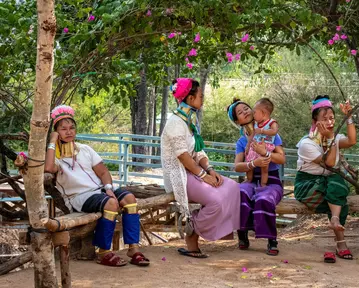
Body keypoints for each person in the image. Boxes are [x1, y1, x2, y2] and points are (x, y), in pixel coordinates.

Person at [44, 105, 150, 267]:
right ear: (56, 131)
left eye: (72, 128)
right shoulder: (57, 158)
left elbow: (103, 172)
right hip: (78, 197)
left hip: (100, 190)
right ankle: (104, 252)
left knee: (130, 198)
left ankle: (133, 248)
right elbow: (49, 168)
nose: (69, 131)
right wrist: (52, 141)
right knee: (111, 203)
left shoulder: (85, 150)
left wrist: (108, 187)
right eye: (63, 129)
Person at [161, 78, 240, 258]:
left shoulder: (189, 120)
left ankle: (208, 230)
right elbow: (183, 156)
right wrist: (204, 176)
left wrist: (210, 170)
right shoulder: (175, 123)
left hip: (194, 172)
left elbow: (197, 151)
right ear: (190, 99)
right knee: (216, 201)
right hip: (179, 176)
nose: (202, 98)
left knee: (233, 187)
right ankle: (192, 232)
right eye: (200, 95)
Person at [294, 95, 356, 262]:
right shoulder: (307, 144)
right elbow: (329, 163)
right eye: (325, 119)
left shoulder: (333, 137)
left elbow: (351, 140)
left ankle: (335, 220)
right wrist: (331, 139)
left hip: (328, 183)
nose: (329, 122)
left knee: (335, 185)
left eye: (332, 118)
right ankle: (341, 243)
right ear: (315, 121)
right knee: (338, 195)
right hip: (307, 185)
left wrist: (349, 116)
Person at [227, 98, 286, 255]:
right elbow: (238, 166)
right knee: (241, 192)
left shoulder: (272, 136)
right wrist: (254, 163)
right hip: (251, 179)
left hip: (272, 180)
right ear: (237, 121)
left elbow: (282, 159)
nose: (245, 112)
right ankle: (242, 233)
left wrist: (266, 154)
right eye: (240, 112)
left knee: (264, 197)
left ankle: (271, 239)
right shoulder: (241, 142)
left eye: (246, 108)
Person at [245, 98, 279, 186]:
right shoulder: (256, 123)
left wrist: (262, 131)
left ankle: (263, 184)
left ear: (263, 113)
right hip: (255, 146)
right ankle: (249, 179)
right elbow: (252, 134)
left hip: (265, 146)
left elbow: (274, 131)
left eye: (255, 112)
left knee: (264, 168)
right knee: (249, 163)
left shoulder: (272, 122)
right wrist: (248, 145)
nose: (253, 114)